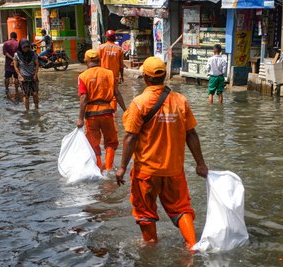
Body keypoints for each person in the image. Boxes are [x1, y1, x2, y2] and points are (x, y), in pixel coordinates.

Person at [115, 56, 209, 250]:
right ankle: (192, 247)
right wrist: (200, 163)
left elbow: (130, 137)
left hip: (147, 171)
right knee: (181, 209)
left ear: (146, 78)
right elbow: (191, 134)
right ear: (164, 76)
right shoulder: (180, 101)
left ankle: (150, 247)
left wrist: (122, 167)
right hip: (174, 170)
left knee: (144, 212)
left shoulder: (139, 103)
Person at [77, 50, 126, 171]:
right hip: (107, 113)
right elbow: (117, 94)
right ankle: (109, 168)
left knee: (94, 143)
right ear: (100, 61)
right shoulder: (109, 74)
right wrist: (126, 110)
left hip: (91, 115)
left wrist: (80, 119)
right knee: (110, 142)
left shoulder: (83, 76)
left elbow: (83, 98)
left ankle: (98, 168)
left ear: (86, 61)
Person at [99, 30, 125, 113]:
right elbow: (121, 65)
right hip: (114, 75)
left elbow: (97, 61)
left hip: (103, 75)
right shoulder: (119, 49)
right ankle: (113, 112)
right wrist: (122, 76)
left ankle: (104, 109)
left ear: (106, 37)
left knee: (103, 92)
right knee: (114, 93)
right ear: (114, 37)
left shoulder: (101, 47)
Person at [14, 39, 40, 111]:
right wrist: (19, 75)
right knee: (26, 95)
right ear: (21, 47)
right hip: (23, 77)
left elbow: (37, 64)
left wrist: (35, 74)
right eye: (24, 47)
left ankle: (36, 108)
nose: (26, 49)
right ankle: (27, 111)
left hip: (33, 76)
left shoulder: (33, 54)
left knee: (35, 94)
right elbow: (15, 66)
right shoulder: (17, 55)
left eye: (27, 47)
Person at [2, 32, 19, 99]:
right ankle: (17, 90)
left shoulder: (6, 43)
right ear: (16, 37)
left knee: (7, 77)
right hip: (16, 63)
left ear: (10, 36)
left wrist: (11, 58)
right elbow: (19, 53)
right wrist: (14, 59)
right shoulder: (18, 44)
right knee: (16, 77)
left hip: (8, 64)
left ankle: (6, 89)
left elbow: (5, 53)